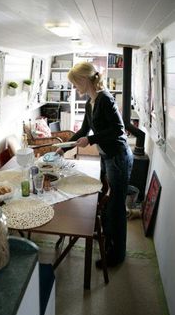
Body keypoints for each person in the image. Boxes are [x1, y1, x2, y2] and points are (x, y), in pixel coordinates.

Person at [56, 62, 133, 268]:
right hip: (107, 155)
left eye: (74, 83)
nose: (74, 87)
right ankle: (107, 240)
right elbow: (83, 131)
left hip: (118, 157)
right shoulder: (91, 101)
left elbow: (119, 130)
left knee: (116, 206)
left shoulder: (105, 99)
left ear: (83, 80)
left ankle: (117, 255)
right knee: (103, 196)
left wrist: (91, 140)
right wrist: (63, 148)